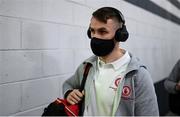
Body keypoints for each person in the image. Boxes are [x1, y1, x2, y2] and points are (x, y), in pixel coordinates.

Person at [63, 7, 159, 116]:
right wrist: (69, 93)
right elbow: (68, 84)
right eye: (92, 31)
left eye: (103, 32)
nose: (95, 37)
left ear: (120, 35)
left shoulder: (138, 75)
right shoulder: (88, 66)